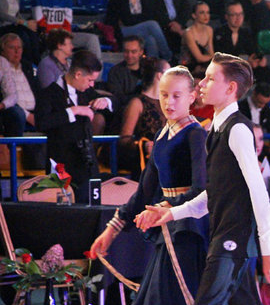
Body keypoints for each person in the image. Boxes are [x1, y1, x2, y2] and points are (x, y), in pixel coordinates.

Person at [139, 52, 270, 305]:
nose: (201, 84)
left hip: (233, 241)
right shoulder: (217, 129)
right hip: (225, 235)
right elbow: (212, 195)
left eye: (208, 78)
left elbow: (258, 193)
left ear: (230, 88)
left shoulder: (238, 129)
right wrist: (171, 213)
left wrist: (268, 251)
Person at [91, 66, 208, 305]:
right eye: (164, 95)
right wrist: (112, 229)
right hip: (166, 233)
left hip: (189, 234)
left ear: (192, 97)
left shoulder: (196, 135)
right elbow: (144, 191)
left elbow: (202, 188)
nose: (169, 102)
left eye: (177, 95)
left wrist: (167, 208)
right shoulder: (162, 134)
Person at [35, 50, 116, 203]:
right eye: (90, 80)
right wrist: (74, 110)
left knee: (92, 206)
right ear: (78, 74)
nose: (92, 85)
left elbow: (118, 103)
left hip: (87, 163)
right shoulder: (49, 94)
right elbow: (42, 122)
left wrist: (105, 101)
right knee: (63, 209)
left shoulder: (87, 92)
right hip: (60, 164)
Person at [118, 57, 169, 178]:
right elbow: (124, 139)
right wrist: (143, 145)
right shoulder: (137, 103)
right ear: (160, 76)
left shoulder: (169, 102)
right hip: (145, 164)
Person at [0, 33, 43, 169]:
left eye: (19, 48)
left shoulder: (29, 67)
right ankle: (12, 153)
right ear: (3, 50)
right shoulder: (2, 67)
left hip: (35, 111)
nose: (17, 51)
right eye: (12, 48)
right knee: (16, 113)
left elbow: (39, 92)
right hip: (12, 111)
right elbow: (8, 97)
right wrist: (27, 115)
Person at [32, 0, 102, 61]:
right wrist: (57, 35)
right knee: (57, 45)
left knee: (92, 39)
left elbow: (67, 23)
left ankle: (95, 67)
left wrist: (65, 37)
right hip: (48, 36)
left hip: (64, 35)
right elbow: (39, 22)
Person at [105, 0, 173, 61]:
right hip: (121, 31)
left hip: (140, 29)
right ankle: (168, 56)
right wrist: (140, 19)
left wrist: (138, 20)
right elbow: (126, 20)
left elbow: (148, 15)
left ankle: (151, 63)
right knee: (152, 25)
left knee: (150, 38)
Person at [107, 35, 146, 110]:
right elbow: (118, 98)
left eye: (133, 52)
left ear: (141, 52)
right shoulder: (115, 72)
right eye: (126, 51)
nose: (129, 55)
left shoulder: (148, 69)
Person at [0, 0, 40, 65]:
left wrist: (26, 23)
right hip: (4, 26)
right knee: (24, 37)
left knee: (33, 32)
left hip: (15, 25)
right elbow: (2, 15)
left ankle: (37, 61)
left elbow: (17, 14)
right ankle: (27, 63)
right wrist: (21, 22)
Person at [182, 1, 214, 78]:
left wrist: (212, 57)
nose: (206, 16)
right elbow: (199, 58)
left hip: (204, 66)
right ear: (194, 15)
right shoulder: (188, 33)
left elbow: (211, 53)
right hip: (189, 68)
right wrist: (212, 57)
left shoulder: (209, 30)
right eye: (202, 12)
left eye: (207, 12)